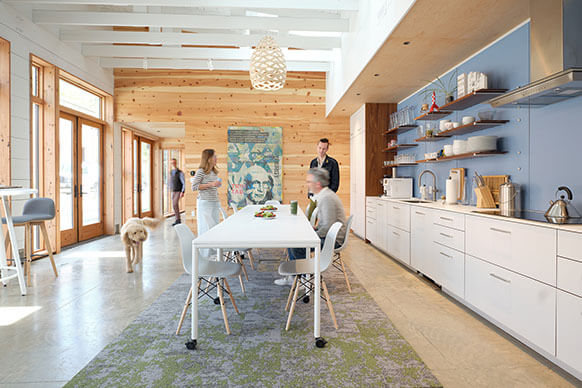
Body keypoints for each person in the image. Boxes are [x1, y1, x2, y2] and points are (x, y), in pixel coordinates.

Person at [274, 168, 346, 286]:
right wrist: (314, 230)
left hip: (333, 240)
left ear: (317, 184)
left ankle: (302, 280)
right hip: (328, 236)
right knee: (294, 241)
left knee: (296, 246)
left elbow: (327, 228)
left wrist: (310, 236)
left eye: (309, 182)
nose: (307, 184)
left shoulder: (326, 198)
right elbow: (325, 225)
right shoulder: (324, 195)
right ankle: (296, 276)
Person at [191, 149, 222, 257]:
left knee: (214, 228)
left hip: (214, 202)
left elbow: (212, 185)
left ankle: (214, 255)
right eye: (214, 156)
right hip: (205, 203)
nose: (216, 158)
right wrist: (212, 184)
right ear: (208, 159)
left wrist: (215, 185)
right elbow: (194, 187)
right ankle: (205, 257)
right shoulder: (201, 171)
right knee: (205, 229)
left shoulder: (214, 171)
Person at [168, 158, 185, 226]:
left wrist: (182, 191)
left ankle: (178, 220)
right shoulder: (171, 172)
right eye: (172, 163)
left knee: (175, 204)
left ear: (176, 163)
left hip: (178, 191)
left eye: (174, 162)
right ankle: (177, 219)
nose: (173, 164)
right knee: (174, 205)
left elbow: (183, 182)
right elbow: (170, 182)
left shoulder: (180, 172)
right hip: (173, 191)